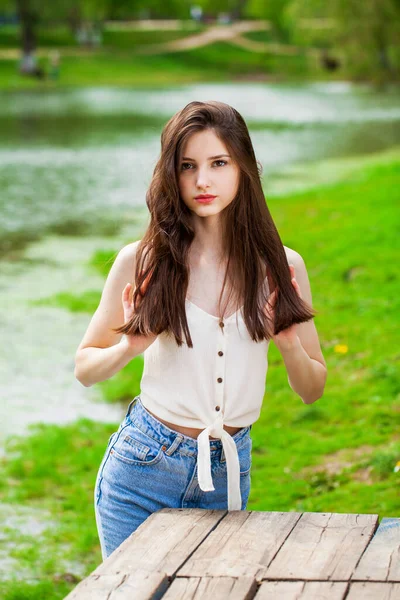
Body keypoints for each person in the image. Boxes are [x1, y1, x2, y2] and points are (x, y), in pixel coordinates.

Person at [74, 100, 327, 560]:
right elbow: (85, 370)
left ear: (244, 167)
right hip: (143, 470)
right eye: (188, 166)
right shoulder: (142, 261)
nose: (202, 181)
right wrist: (129, 347)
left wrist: (288, 342)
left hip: (228, 474)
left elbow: (312, 390)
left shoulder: (282, 267)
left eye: (218, 163)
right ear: (172, 173)